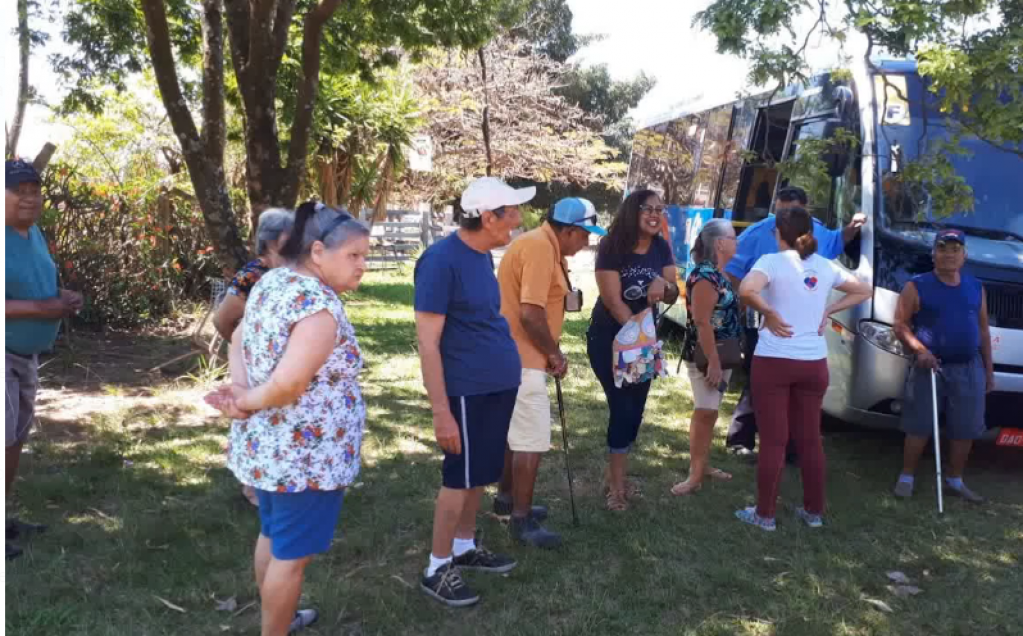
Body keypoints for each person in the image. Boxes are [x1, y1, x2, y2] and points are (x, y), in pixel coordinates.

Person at [205, 202, 370, 635]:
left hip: (271, 447)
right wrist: (247, 400)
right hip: (306, 458)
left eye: (365, 256)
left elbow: (237, 334)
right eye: (354, 256)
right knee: (292, 556)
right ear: (317, 252)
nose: (362, 267)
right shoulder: (317, 309)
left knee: (275, 537)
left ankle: (279, 618)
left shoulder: (274, 281)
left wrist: (241, 389)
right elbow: (287, 387)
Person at [414, 176, 532, 607]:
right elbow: (428, 342)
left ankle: (464, 547)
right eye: (512, 213)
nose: (518, 220)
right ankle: (437, 566)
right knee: (458, 478)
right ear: (488, 217)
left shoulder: (481, 256)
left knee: (479, 474)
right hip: (465, 390)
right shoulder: (441, 260)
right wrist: (441, 412)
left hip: (496, 385)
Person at [736, 206, 871, 530]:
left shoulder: (770, 262)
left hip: (774, 361)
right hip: (813, 363)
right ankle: (814, 512)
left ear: (777, 233)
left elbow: (745, 290)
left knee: (773, 440)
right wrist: (832, 309)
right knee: (810, 439)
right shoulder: (826, 266)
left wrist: (767, 311)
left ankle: (764, 515)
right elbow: (864, 289)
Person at [494, 197, 605, 548]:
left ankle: (506, 500)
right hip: (523, 358)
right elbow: (530, 314)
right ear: (569, 230)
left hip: (513, 356)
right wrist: (554, 354)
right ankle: (522, 520)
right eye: (585, 235)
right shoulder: (540, 248)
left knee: (515, 436)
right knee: (532, 439)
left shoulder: (541, 245)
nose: (586, 243)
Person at [724, 186, 866, 459]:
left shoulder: (818, 231)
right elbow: (733, 273)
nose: (782, 218)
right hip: (763, 323)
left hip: (805, 327)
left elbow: (837, 243)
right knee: (759, 381)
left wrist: (852, 228)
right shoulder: (759, 233)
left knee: (797, 390)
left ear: (805, 210)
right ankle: (741, 439)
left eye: (790, 212)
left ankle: (790, 448)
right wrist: (757, 308)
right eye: (780, 210)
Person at [5, 159, 84, 560]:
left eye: (34, 190)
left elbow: (41, 283)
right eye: (19, 190)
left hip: (26, 355)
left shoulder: (33, 233)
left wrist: (64, 298)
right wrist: (42, 307)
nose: (29, 197)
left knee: (14, 438)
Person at [587, 189, 679, 512]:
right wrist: (637, 336)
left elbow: (673, 292)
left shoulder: (661, 247)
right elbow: (613, 301)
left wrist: (663, 286)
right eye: (647, 209)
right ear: (632, 211)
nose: (655, 215)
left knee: (635, 411)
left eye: (659, 209)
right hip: (609, 339)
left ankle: (614, 473)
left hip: (643, 341)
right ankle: (616, 488)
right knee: (622, 408)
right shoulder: (612, 247)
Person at [891, 229, 993, 503]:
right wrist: (920, 350)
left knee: (966, 427)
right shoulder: (916, 285)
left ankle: (955, 480)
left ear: (964, 255)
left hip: (969, 367)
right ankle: (907, 476)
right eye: (943, 249)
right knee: (919, 424)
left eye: (955, 249)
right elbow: (900, 325)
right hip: (930, 367)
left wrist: (988, 371)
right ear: (933, 254)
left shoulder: (975, 286)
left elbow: (983, 331)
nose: (949, 255)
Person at [213, 207, 294, 507]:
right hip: (256, 363)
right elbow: (223, 321)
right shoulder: (252, 276)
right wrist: (248, 353)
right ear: (268, 246)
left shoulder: (301, 273)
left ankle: (281, 478)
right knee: (251, 415)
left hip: (290, 361)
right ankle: (252, 486)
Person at [670, 219, 740, 496]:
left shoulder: (719, 273)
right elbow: (701, 322)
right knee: (705, 411)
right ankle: (695, 475)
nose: (737, 242)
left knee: (710, 412)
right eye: (733, 237)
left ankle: (703, 466)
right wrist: (713, 360)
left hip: (723, 352)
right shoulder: (704, 276)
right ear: (720, 243)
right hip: (708, 354)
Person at [213, 207, 295, 341]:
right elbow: (221, 321)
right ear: (270, 242)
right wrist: (242, 353)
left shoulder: (289, 269)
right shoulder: (251, 275)